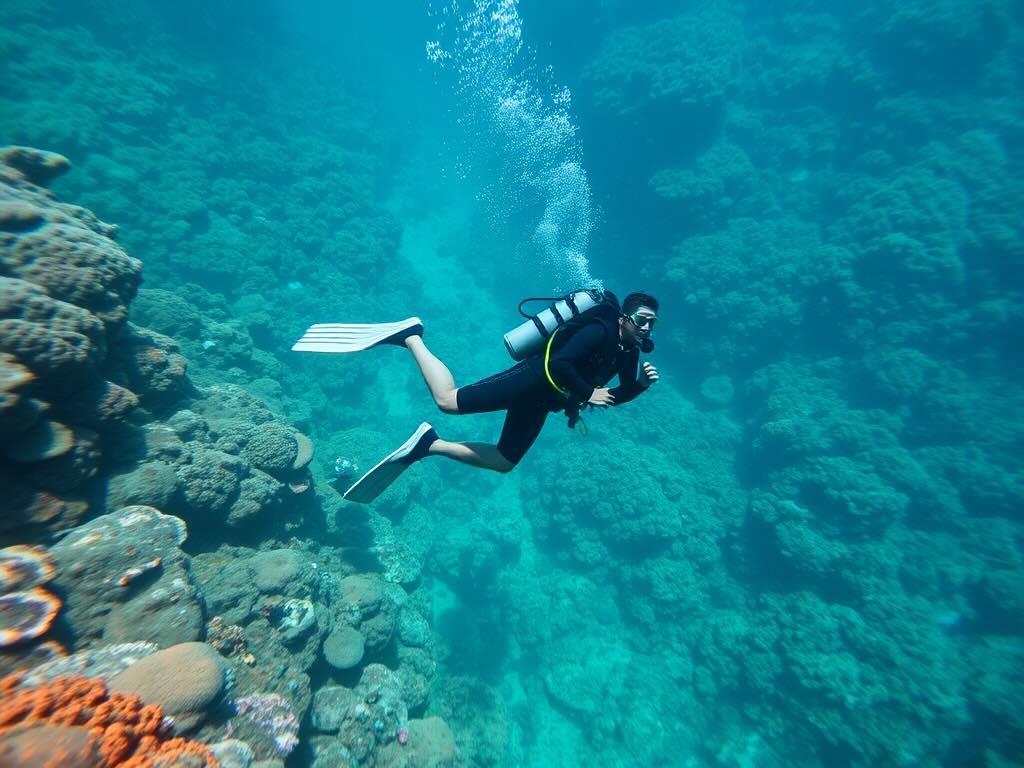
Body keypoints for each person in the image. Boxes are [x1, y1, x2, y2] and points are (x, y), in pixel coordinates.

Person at [371, 291, 661, 478]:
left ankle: (430, 445)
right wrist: (588, 392)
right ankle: (411, 336)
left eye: (653, 323)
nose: (647, 328)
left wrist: (640, 385)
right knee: (447, 401)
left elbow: (613, 395)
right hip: (530, 380)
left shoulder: (628, 352)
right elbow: (559, 363)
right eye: (642, 319)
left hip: (544, 401)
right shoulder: (599, 331)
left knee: (504, 461)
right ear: (624, 317)